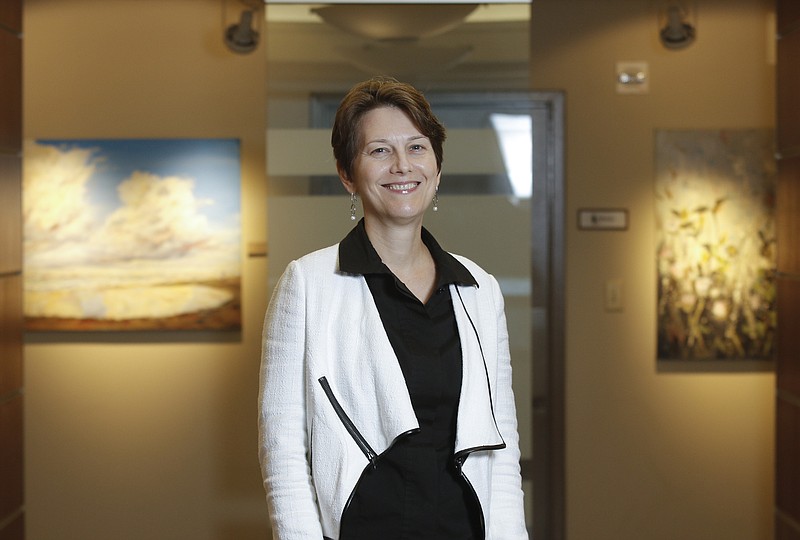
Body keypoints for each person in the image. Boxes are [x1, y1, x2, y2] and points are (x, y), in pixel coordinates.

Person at [258, 76, 528, 540]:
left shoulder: (478, 288)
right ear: (348, 173)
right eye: (379, 150)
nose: (403, 166)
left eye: (417, 148)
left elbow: (499, 448)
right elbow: (282, 448)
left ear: (438, 167)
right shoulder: (307, 284)